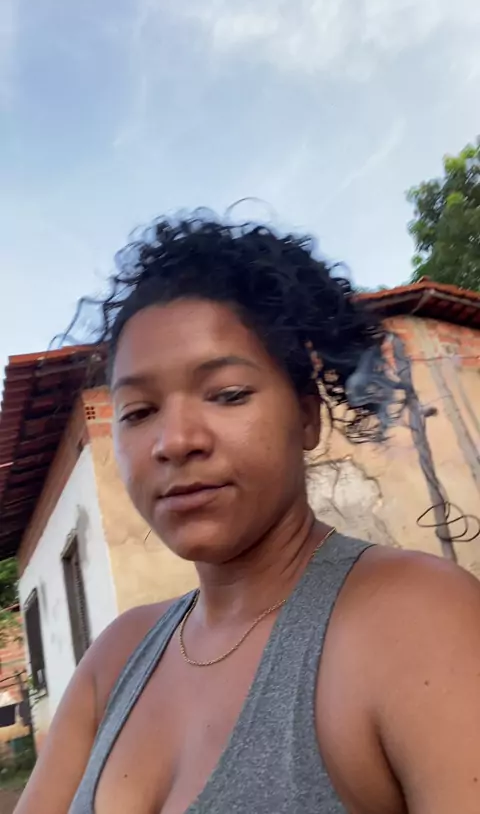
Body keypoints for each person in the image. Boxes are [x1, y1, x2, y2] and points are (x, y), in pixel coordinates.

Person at [16, 214, 480, 814]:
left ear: (307, 417)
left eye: (228, 394)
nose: (174, 441)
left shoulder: (417, 621)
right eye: (139, 411)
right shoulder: (115, 658)